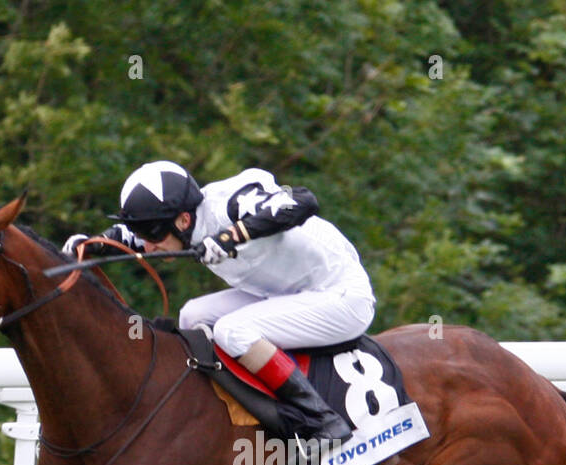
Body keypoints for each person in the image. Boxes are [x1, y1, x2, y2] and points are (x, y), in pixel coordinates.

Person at [65, 160, 375, 443]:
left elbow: (304, 201)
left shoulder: (230, 204)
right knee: (191, 316)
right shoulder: (179, 224)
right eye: (141, 232)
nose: (147, 244)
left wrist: (230, 237)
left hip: (340, 296)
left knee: (231, 331)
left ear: (183, 220)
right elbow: (129, 237)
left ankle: (322, 421)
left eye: (151, 233)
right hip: (285, 292)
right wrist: (92, 243)